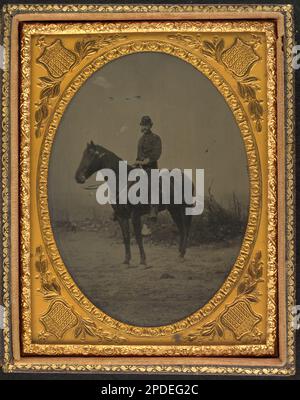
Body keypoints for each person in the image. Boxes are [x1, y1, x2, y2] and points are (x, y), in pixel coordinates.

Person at [135, 115, 162, 221]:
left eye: (146, 125)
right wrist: (137, 162)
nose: (144, 127)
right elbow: (138, 155)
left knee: (153, 184)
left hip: (151, 167)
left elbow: (157, 153)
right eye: (143, 125)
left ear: (150, 125)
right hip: (140, 167)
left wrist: (148, 160)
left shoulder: (156, 138)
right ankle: (122, 208)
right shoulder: (140, 140)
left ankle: (153, 210)